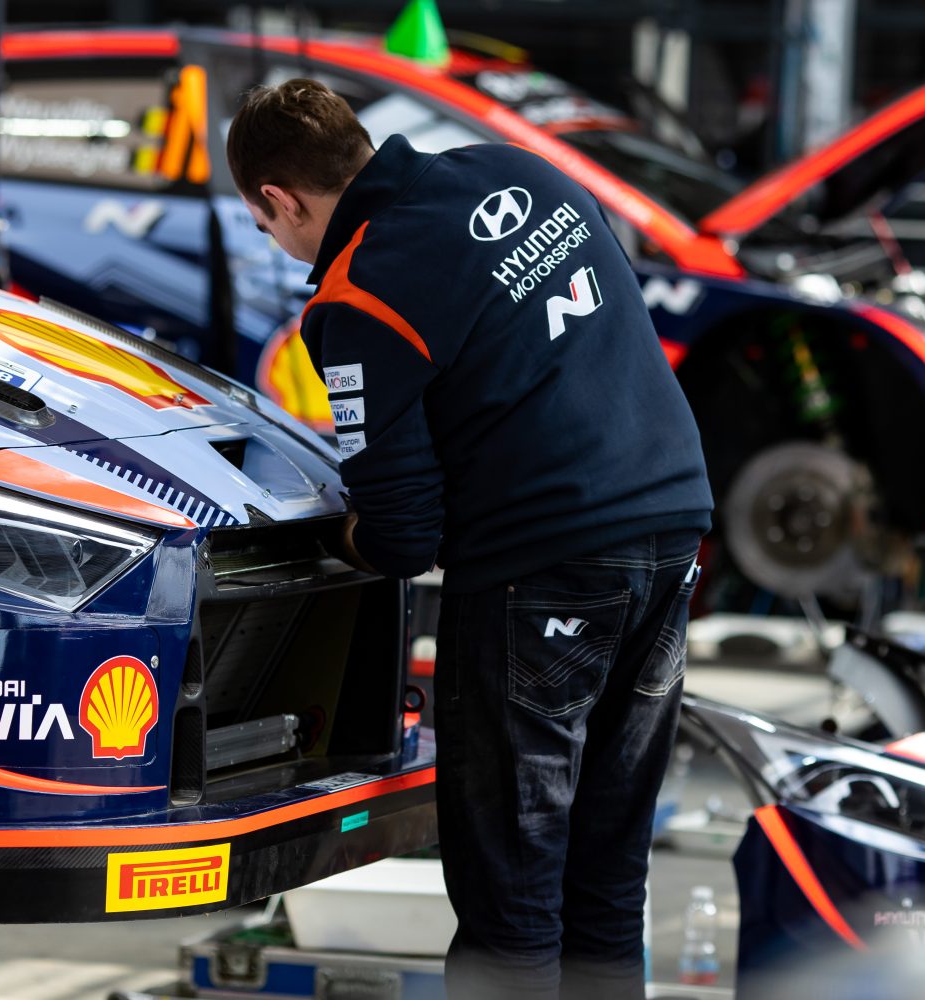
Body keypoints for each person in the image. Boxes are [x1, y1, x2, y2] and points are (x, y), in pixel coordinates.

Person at [226, 79, 713, 999]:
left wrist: (332, 538)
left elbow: (403, 535)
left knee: (513, 900)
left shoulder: (359, 297)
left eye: (265, 225)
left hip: (545, 570)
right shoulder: (521, 172)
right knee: (607, 879)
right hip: (672, 533)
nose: (278, 243)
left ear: (280, 200)